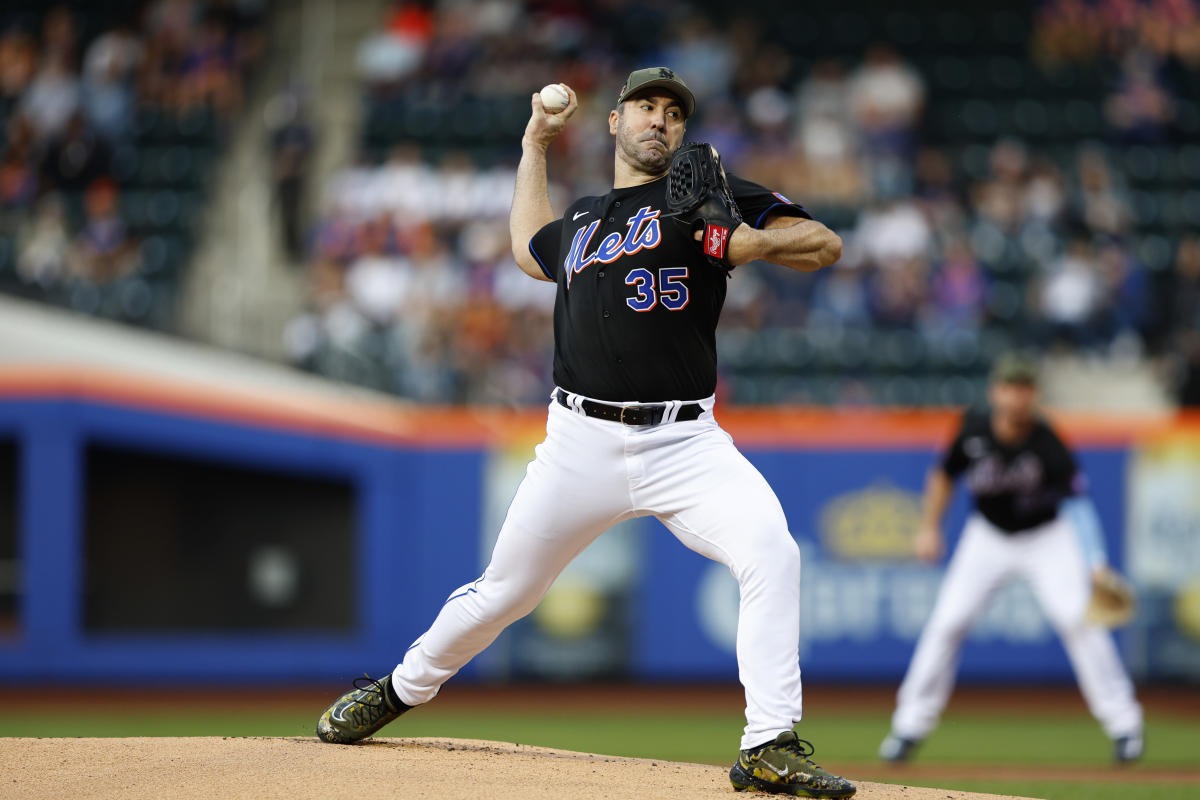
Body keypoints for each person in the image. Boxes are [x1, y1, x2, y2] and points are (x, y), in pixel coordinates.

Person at [314, 67, 855, 798]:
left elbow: (824, 245)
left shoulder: (713, 194)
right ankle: (398, 690)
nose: (658, 120)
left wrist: (744, 243)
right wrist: (535, 143)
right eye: (644, 106)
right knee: (503, 593)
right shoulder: (583, 219)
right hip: (577, 443)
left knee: (772, 551)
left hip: (686, 443)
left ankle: (769, 743)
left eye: (672, 112)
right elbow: (524, 247)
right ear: (615, 123)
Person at [878, 354, 1144, 765]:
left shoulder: (1048, 442)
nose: (1017, 396)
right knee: (947, 622)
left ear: (1034, 395)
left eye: (1024, 388)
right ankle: (908, 728)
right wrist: (929, 526)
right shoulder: (974, 429)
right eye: (1010, 387)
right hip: (987, 536)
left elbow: (1079, 504)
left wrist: (1095, 562)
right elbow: (944, 474)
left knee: (1077, 619)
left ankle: (1125, 726)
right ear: (995, 391)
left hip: (1046, 537)